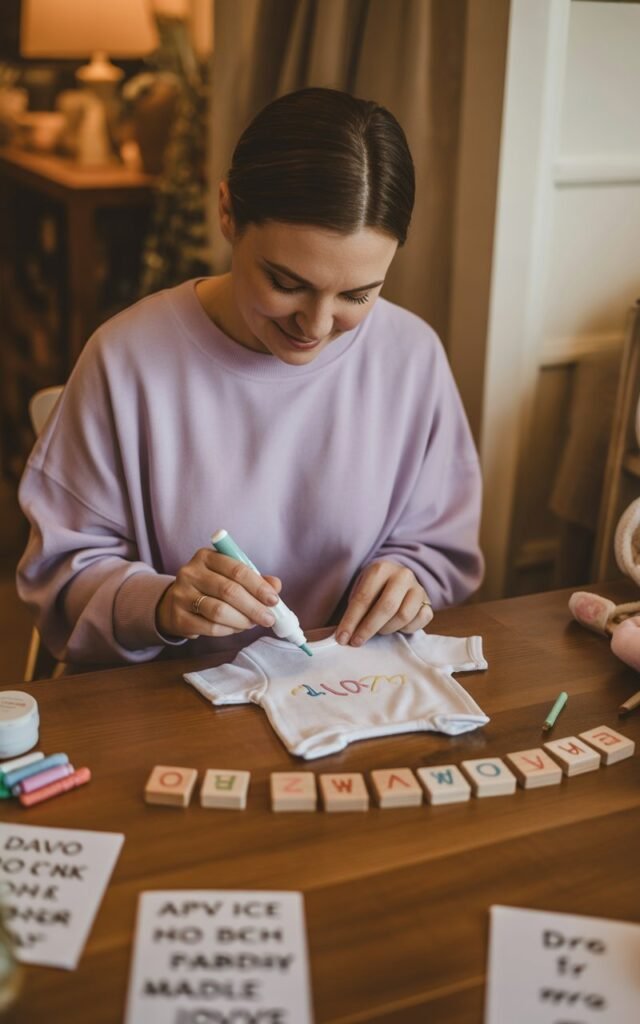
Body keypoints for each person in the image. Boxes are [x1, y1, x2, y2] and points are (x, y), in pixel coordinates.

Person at [17, 87, 484, 667]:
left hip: (349, 696)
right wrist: (163, 605)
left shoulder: (411, 357)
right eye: (287, 283)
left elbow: (440, 549)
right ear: (227, 212)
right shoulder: (126, 359)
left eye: (357, 295)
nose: (315, 325)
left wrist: (409, 581)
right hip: (171, 707)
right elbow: (62, 579)